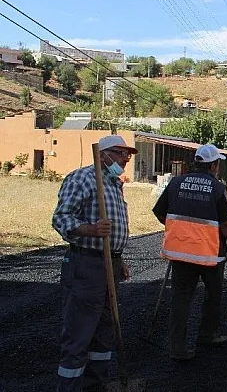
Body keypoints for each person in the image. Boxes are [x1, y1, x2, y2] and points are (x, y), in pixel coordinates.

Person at [52, 135, 135, 392]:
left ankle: (95, 386)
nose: (125, 159)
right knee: (79, 333)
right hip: (85, 265)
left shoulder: (113, 184)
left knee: (103, 331)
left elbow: (113, 229)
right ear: (103, 156)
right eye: (121, 153)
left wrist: (117, 257)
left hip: (108, 264)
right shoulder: (84, 178)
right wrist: (90, 229)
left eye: (128, 155)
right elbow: (61, 218)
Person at [153, 144, 227, 361]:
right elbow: (226, 224)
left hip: (181, 251)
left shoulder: (176, 182)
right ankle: (207, 334)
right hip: (211, 253)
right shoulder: (217, 188)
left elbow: (159, 211)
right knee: (213, 295)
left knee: (180, 298)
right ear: (213, 165)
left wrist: (178, 229)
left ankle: (177, 347)